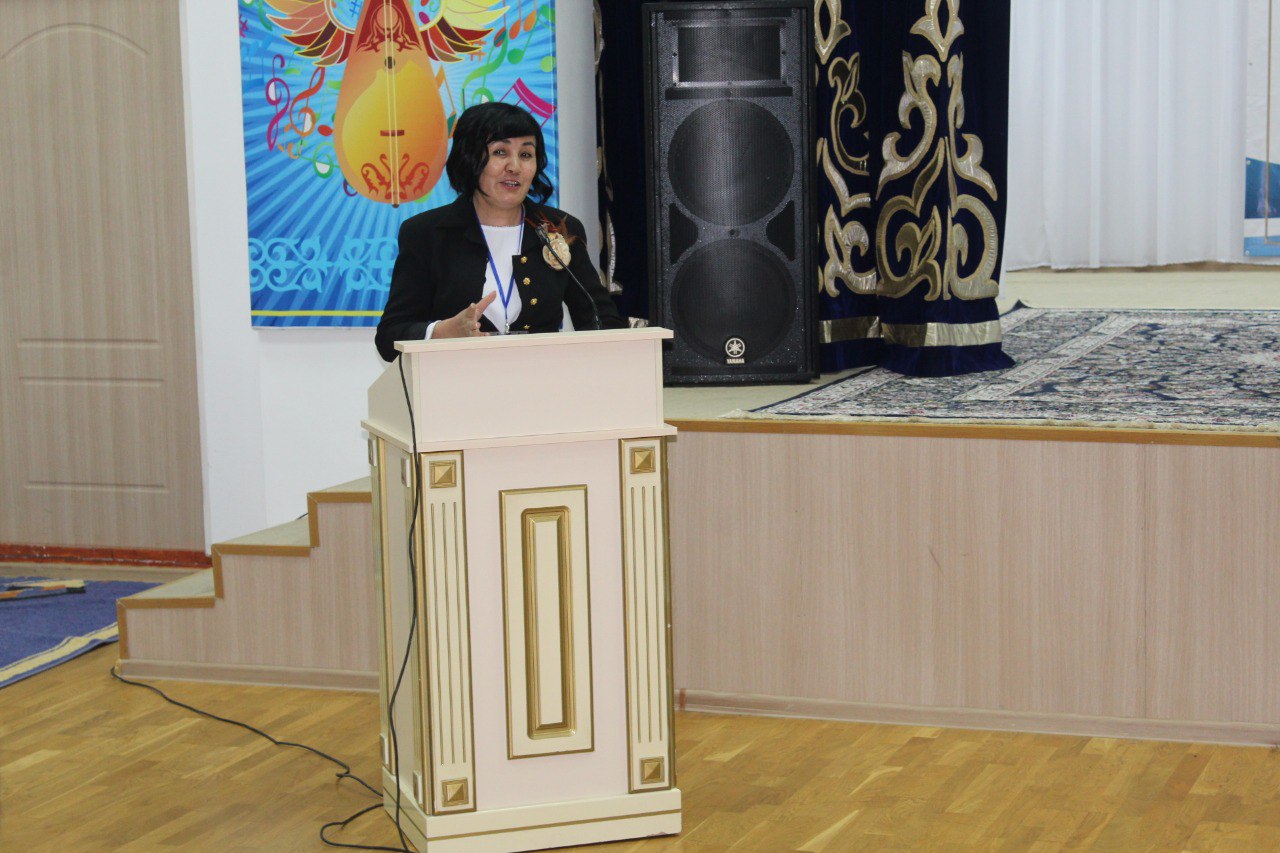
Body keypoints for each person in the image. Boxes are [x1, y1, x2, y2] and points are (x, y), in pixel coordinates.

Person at [375, 102, 626, 361]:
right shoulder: (427, 233)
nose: (514, 167)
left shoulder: (560, 228)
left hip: (545, 378)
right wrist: (441, 331)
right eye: (500, 152)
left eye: (526, 154)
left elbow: (603, 321)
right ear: (470, 158)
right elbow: (389, 337)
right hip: (456, 380)